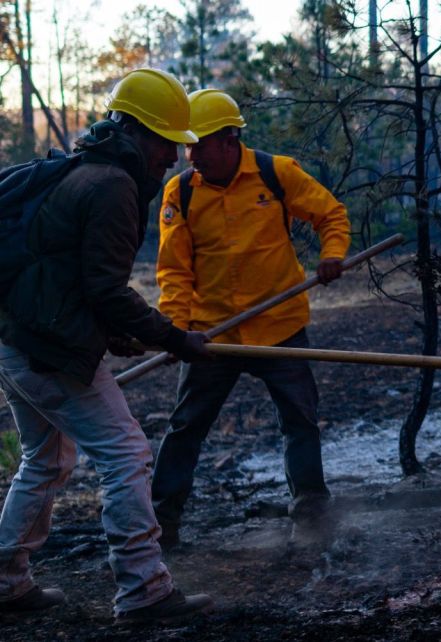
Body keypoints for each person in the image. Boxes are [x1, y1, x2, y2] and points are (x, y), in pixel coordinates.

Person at [0, 68, 213, 621]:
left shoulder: (85, 171)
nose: (173, 157)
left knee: (46, 458)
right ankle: (144, 589)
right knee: (127, 454)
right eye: (169, 143)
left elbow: (71, 278)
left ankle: (5, 579)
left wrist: (117, 334)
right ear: (141, 134)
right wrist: (173, 338)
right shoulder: (114, 186)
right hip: (48, 353)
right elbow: (106, 289)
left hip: (20, 341)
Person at [151, 89, 350, 548]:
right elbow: (174, 270)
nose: (190, 154)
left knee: (300, 420)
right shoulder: (179, 192)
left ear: (228, 139)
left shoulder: (274, 173)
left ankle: (313, 515)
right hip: (210, 336)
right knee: (185, 427)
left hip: (278, 326)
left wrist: (333, 255)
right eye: (187, 146)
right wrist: (176, 330)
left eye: (198, 144)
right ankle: (160, 525)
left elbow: (331, 215)